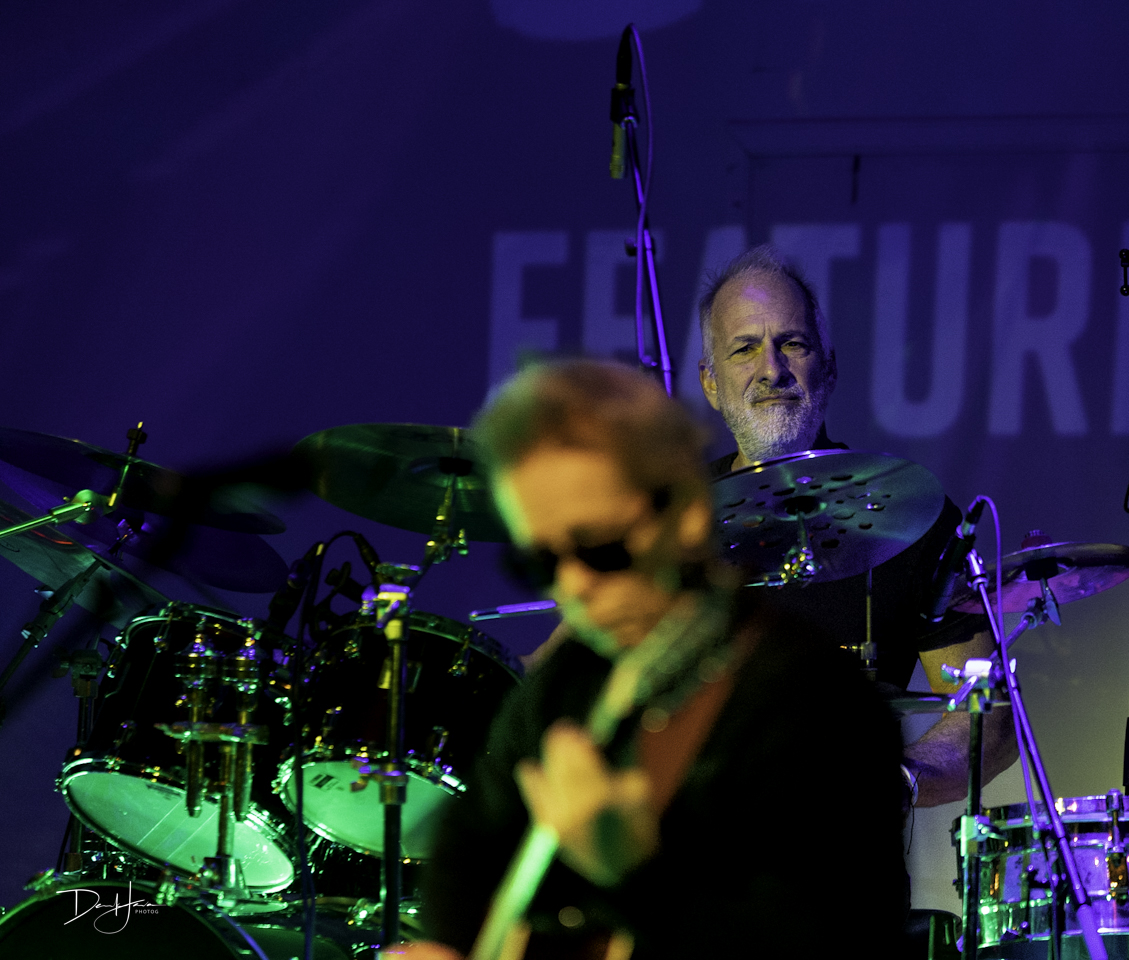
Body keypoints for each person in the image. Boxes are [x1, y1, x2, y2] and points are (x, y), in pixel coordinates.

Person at [386, 359, 908, 958]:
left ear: (685, 513)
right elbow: (468, 849)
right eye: (540, 563)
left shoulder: (816, 703)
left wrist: (635, 875)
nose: (573, 586)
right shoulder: (569, 681)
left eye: (598, 546)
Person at [696, 244, 1017, 808]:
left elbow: (988, 714)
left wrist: (895, 780)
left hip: (846, 878)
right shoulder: (672, 523)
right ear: (711, 385)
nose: (771, 369)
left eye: (792, 344)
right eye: (744, 349)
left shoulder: (907, 514)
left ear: (830, 367)